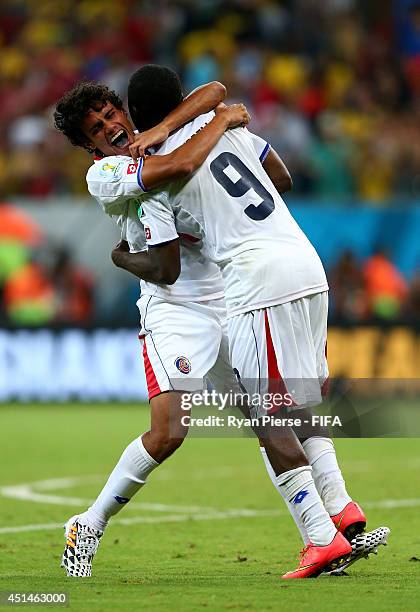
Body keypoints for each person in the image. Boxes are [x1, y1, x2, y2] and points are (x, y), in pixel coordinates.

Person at [54, 74, 386, 580]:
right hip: (175, 309)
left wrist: (203, 125)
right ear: (88, 144)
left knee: (276, 408)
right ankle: (89, 522)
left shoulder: (171, 132)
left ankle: (334, 521)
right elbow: (166, 261)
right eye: (97, 128)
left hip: (234, 292)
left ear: (127, 111)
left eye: (111, 114)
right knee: (170, 433)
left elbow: (210, 92)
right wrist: (124, 259)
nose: (110, 127)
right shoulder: (113, 174)